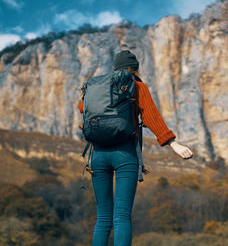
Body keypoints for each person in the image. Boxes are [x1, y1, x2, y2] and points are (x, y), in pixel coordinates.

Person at [78, 48, 193, 246]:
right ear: (135, 70)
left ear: (117, 69)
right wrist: (172, 143)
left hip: (97, 155)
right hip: (125, 154)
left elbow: (82, 107)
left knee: (103, 219)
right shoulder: (137, 86)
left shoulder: (99, 87)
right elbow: (151, 117)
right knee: (121, 216)